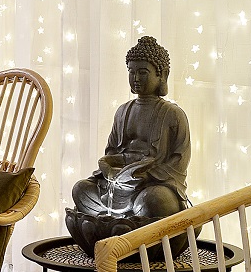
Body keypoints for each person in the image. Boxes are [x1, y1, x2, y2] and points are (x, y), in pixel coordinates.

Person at [66, 35, 193, 255]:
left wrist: (147, 175)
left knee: (154, 201)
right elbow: (112, 151)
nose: (136, 78)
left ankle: (114, 229)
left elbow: (179, 160)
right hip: (119, 184)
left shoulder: (173, 114)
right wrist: (108, 167)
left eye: (143, 72)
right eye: (131, 72)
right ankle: (122, 226)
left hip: (152, 185)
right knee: (81, 189)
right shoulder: (123, 111)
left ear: (162, 74)